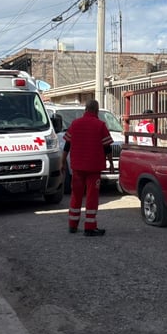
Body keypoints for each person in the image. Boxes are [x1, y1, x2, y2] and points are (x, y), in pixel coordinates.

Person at [61, 99, 114, 237]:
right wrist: (111, 163)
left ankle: (72, 225)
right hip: (93, 168)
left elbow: (67, 146)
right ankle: (89, 227)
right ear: (96, 111)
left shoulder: (75, 124)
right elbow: (107, 147)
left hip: (77, 167)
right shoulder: (100, 125)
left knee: (76, 195)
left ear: (85, 109)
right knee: (91, 196)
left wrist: (62, 163)